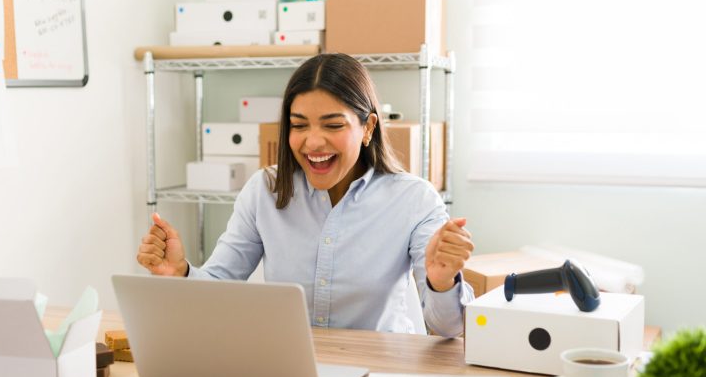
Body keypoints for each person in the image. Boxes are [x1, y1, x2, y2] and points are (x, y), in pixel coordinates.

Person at [137, 53, 474, 336]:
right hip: (289, 369)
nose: (312, 143)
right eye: (299, 125)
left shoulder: (414, 200)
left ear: (368, 127)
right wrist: (179, 272)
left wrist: (442, 282)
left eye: (332, 125)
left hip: (379, 371)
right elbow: (219, 286)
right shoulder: (264, 191)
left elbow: (449, 329)